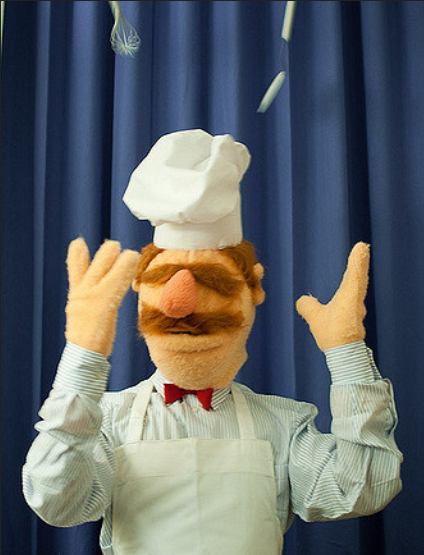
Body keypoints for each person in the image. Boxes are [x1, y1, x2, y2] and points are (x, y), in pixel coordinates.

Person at [23, 130, 403, 555]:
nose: (180, 304)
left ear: (253, 288)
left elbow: (362, 489)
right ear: (139, 290)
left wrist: (347, 352)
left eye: (211, 281)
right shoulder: (107, 420)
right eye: (163, 281)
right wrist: (83, 356)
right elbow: (56, 502)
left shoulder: (283, 424)